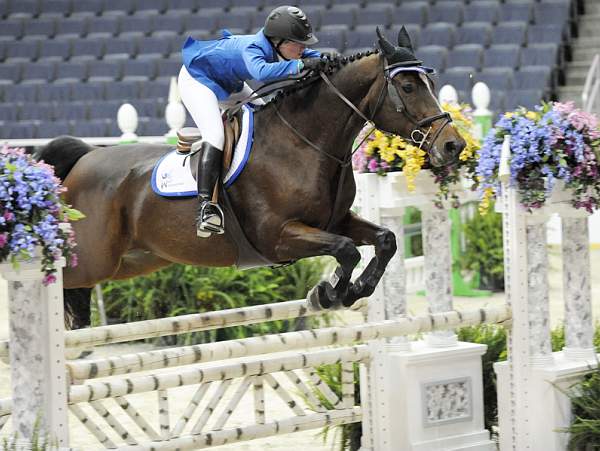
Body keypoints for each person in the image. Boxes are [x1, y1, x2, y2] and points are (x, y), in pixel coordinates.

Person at [179, 5, 323, 237]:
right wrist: (300, 65)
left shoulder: (283, 47)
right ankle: (206, 206)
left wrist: (327, 59)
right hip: (198, 81)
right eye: (298, 43)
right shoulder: (252, 47)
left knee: (265, 112)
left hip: (229, 84)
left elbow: (309, 57)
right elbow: (263, 73)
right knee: (214, 134)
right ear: (279, 42)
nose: (303, 48)